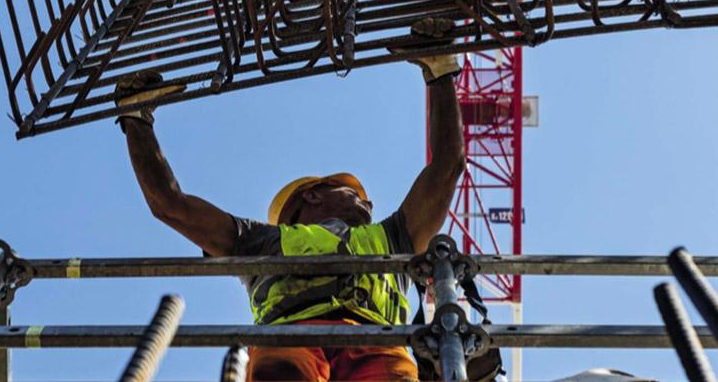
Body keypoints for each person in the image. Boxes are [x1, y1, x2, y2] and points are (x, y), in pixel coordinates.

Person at [114, 20, 465, 382]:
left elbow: (447, 167)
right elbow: (170, 205)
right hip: (293, 338)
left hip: (377, 345)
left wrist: (440, 73)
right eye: (352, 194)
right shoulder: (261, 242)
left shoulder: (392, 238)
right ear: (312, 195)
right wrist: (137, 122)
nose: (369, 203)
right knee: (282, 371)